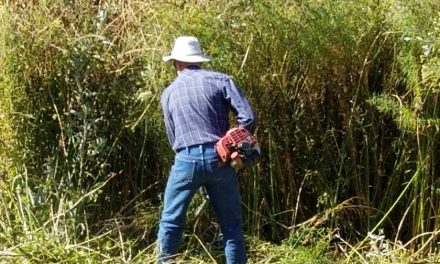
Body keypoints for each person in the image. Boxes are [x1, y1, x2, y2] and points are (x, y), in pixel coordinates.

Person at [157, 36, 256, 264]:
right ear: (198, 61)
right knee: (231, 227)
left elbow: (173, 138)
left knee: (171, 221)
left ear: (176, 63)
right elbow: (248, 117)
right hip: (220, 159)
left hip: (186, 160)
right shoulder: (219, 80)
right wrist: (235, 142)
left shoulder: (168, 93)